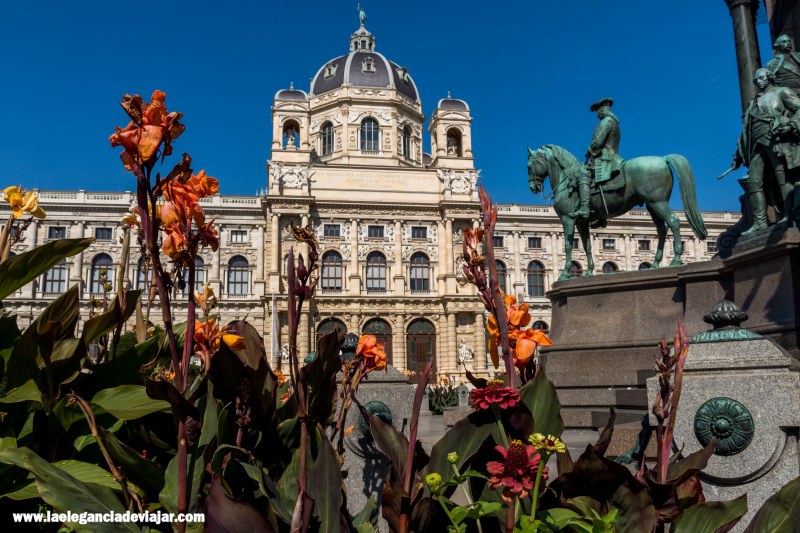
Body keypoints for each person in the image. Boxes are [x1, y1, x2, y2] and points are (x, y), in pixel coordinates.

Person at [733, 68, 800, 235]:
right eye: (756, 80)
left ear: (770, 77)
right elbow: (745, 130)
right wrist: (738, 154)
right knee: (754, 182)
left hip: (776, 140)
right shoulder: (753, 103)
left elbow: (799, 109)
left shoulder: (781, 92)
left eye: (761, 78)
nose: (758, 82)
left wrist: (791, 125)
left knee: (782, 177)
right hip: (757, 144)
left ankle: (788, 215)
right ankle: (760, 222)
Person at [572, 98, 621, 218]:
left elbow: (598, 142)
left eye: (599, 111)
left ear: (604, 110)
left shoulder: (606, 121)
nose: (597, 114)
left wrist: (589, 151)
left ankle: (584, 208)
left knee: (583, 173)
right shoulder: (614, 122)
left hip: (605, 157)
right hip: (612, 155)